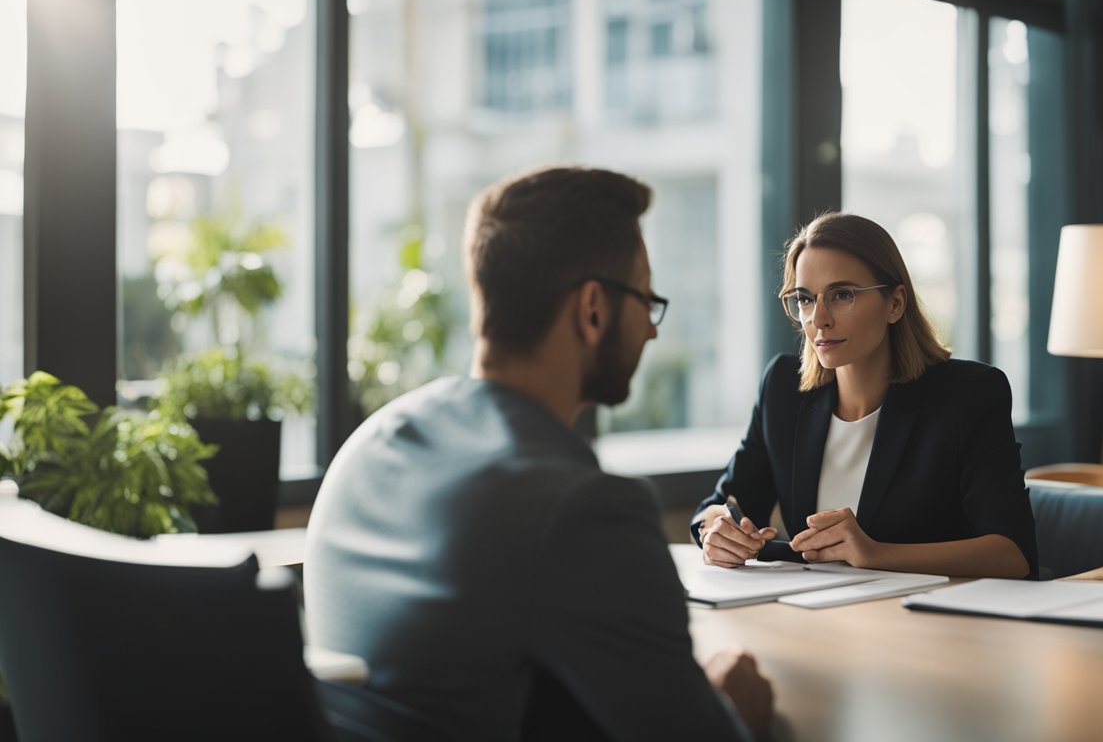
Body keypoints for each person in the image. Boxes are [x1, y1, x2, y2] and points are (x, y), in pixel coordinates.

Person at [304, 166, 774, 741]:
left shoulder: (370, 443)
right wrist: (736, 707)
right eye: (646, 299)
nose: (651, 331)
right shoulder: (584, 508)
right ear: (594, 308)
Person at [691, 212, 1037, 579]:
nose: (818, 319)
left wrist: (873, 553)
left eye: (842, 295)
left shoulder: (970, 394)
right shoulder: (783, 388)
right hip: (816, 615)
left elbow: (1013, 553)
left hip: (933, 620)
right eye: (805, 299)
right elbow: (722, 506)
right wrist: (716, 531)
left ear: (895, 304)